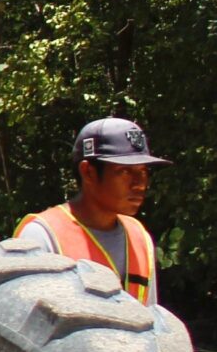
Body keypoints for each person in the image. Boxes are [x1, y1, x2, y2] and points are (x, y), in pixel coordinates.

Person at [16, 116, 167, 304]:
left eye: (143, 171)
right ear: (88, 172)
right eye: (125, 171)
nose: (139, 184)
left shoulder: (139, 237)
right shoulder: (42, 236)